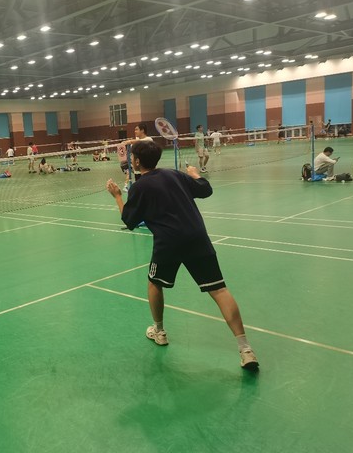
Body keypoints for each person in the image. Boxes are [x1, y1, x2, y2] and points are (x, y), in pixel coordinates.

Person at [105, 141, 259, 370]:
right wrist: (195, 174)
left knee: (154, 283)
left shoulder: (139, 187)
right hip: (197, 236)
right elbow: (205, 189)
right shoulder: (174, 174)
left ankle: (159, 331)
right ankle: (245, 349)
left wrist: (118, 196)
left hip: (168, 242)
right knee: (219, 289)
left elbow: (129, 221)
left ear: (136, 161)